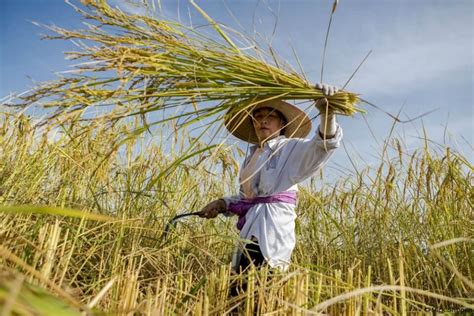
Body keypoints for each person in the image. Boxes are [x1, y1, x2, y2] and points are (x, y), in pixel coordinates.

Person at [199, 83, 343, 274]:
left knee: (265, 285)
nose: (263, 121)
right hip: (248, 232)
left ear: (282, 124)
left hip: (272, 232)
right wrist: (222, 203)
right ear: (253, 123)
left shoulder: (290, 148)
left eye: (271, 116)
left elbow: (323, 145)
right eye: (258, 117)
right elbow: (248, 198)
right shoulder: (253, 156)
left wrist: (327, 113)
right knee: (242, 290)